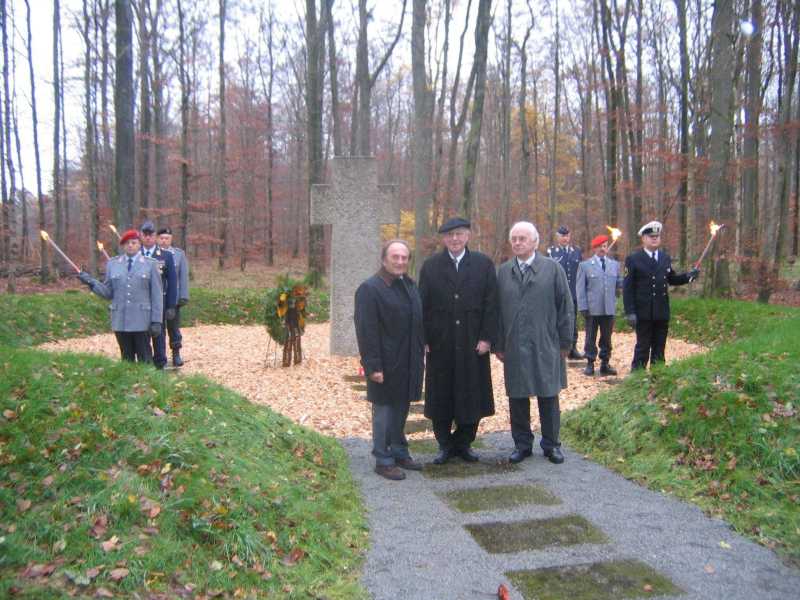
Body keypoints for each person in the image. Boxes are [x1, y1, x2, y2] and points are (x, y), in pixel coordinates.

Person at [418, 217, 498, 465]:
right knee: (441, 394)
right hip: (440, 342)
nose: (455, 239)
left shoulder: (483, 265)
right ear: (443, 238)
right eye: (450, 235)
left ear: (468, 236)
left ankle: (464, 443)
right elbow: (422, 306)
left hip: (472, 342)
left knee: (472, 394)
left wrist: (487, 338)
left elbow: (491, 304)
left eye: (460, 234)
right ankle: (444, 444)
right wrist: (424, 339)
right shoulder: (430, 266)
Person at [495, 222, 573, 465]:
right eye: (514, 239)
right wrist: (499, 343)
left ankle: (551, 445)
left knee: (548, 394)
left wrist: (565, 341)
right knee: (517, 396)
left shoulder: (552, 269)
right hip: (514, 344)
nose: (517, 243)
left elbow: (566, 307)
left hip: (546, 342)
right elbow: (495, 311)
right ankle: (522, 444)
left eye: (523, 239)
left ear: (535, 242)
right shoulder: (503, 272)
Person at [354, 240, 425, 481]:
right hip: (385, 362)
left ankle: (399, 451)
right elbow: (366, 330)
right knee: (384, 412)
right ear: (384, 259)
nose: (400, 261)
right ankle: (383, 459)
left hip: (408, 360)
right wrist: (372, 366)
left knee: (402, 408)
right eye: (395, 257)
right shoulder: (370, 289)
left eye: (404, 257)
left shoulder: (409, 285)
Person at [77, 229, 163, 363]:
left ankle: (146, 383)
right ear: (123, 246)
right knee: (126, 358)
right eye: (127, 243)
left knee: (145, 358)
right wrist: (91, 282)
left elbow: (157, 295)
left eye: (134, 242)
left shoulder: (151, 264)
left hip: (142, 320)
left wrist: (157, 320)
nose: (130, 245)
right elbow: (108, 292)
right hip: (120, 320)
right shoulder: (113, 264)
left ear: (139, 245)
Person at [623, 220, 699, 370]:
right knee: (642, 348)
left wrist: (688, 276)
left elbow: (671, 278)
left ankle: (657, 379)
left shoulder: (665, 258)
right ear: (643, 238)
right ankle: (637, 378)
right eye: (651, 236)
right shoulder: (633, 259)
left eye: (657, 236)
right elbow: (628, 288)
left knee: (659, 348)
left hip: (661, 311)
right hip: (643, 312)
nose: (654, 238)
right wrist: (630, 312)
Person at [576, 234, 623, 376]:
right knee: (590, 336)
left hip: (608, 308)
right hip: (592, 308)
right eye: (600, 247)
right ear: (594, 248)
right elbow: (580, 288)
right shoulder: (585, 266)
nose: (603, 249)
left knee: (606, 338)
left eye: (604, 246)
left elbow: (618, 283)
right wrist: (582, 306)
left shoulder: (614, 265)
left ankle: (605, 363)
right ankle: (590, 363)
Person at [139, 221, 177, 369]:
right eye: (145, 235)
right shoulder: (136, 255)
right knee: (142, 333)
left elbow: (172, 282)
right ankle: (146, 362)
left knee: (159, 333)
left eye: (151, 235)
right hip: (140, 302)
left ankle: (160, 362)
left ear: (155, 236)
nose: (148, 238)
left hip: (158, 302)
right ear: (141, 236)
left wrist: (171, 305)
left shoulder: (165, 256)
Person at [547, 225, 584, 359]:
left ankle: (572, 348)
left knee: (572, 321)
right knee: (557, 320)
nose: (565, 238)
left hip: (574, 292)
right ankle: (557, 347)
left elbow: (581, 272)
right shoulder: (552, 252)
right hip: (557, 293)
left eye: (567, 236)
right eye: (562, 236)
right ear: (557, 237)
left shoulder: (577, 252)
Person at [157, 227, 190, 367]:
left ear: (171, 239)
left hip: (173, 297)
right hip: (156, 297)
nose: (164, 241)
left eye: (167, 238)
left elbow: (183, 276)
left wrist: (183, 296)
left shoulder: (178, 254)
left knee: (173, 327)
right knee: (158, 328)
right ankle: (160, 355)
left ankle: (176, 353)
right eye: (162, 238)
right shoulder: (153, 254)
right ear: (158, 239)